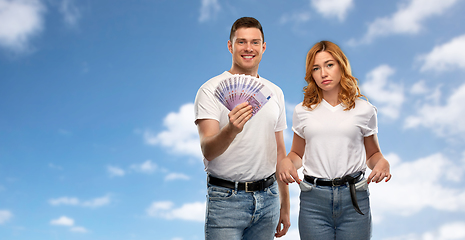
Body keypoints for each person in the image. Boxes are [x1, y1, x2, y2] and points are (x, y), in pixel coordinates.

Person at [277, 40, 392, 240]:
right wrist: (288, 161)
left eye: (329, 64)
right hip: (313, 201)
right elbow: (297, 154)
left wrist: (382, 162)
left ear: (341, 65)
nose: (323, 73)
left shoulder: (364, 109)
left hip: (355, 199)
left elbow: (373, 154)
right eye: (316, 68)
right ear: (311, 74)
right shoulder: (302, 110)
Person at [194, 17, 290, 240]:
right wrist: (232, 129)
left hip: (269, 199)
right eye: (241, 42)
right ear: (230, 46)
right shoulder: (209, 90)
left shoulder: (275, 92)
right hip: (226, 200)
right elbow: (208, 149)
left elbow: (279, 151)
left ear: (263, 47)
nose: (249, 48)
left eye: (255, 42)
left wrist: (285, 203)